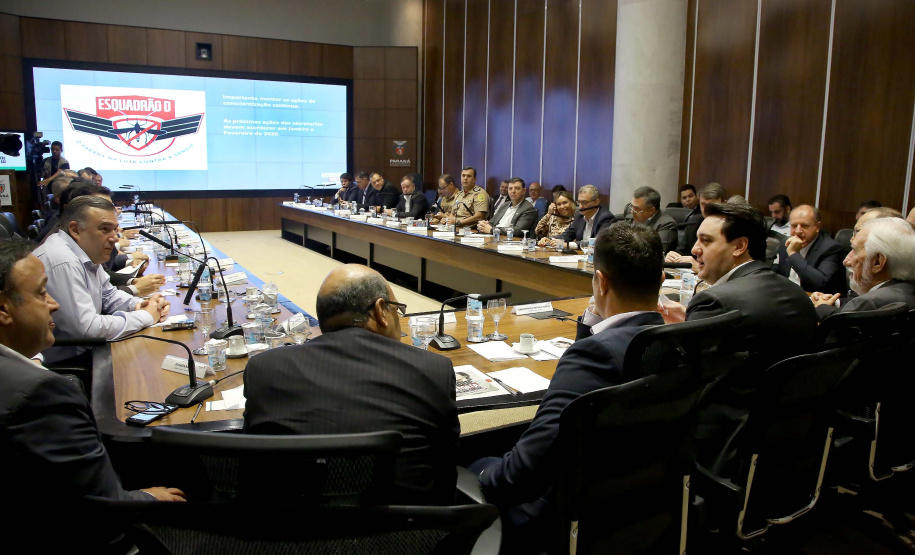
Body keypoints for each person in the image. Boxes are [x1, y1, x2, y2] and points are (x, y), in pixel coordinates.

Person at [476, 222, 666, 549]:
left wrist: (480, 480)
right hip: (641, 507)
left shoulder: (595, 357)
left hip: (561, 515)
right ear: (661, 280)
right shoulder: (675, 341)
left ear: (600, 281)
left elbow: (523, 473)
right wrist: (592, 325)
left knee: (475, 461)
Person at [0, 240, 185, 546]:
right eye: (42, 293)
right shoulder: (40, 394)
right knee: (179, 467)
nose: (54, 304)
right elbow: (100, 505)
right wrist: (146, 497)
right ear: (4, 310)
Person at [244, 265, 459, 504]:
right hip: (400, 532)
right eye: (397, 309)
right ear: (380, 310)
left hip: (293, 530)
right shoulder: (433, 369)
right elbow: (445, 467)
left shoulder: (263, 368)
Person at [658, 202, 817, 475]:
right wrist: (691, 323)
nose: (695, 249)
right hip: (791, 438)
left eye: (705, 241)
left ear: (739, 246)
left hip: (724, 441)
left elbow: (679, 379)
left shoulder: (715, 300)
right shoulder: (795, 293)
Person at [32, 196, 170, 365]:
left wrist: (138, 305)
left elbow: (108, 295)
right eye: (105, 229)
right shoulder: (63, 261)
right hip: (70, 362)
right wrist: (146, 316)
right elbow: (87, 329)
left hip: (89, 350)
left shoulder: (83, 249)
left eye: (115, 229)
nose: (115, 238)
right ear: (75, 230)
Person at [811, 217, 915, 319]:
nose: (846, 261)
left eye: (855, 250)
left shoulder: (868, 302)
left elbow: (835, 333)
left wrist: (820, 307)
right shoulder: (909, 290)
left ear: (877, 262)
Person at [773, 204, 846, 294]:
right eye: (794, 225)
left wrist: (793, 254)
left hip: (816, 301)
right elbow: (777, 272)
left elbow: (819, 283)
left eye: (804, 226)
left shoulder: (831, 248)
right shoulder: (786, 242)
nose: (798, 231)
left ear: (817, 227)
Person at [666, 181, 726, 262]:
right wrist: (673, 256)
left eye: (712, 205)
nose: (707, 210)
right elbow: (684, 251)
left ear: (724, 204)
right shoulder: (693, 222)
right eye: (703, 204)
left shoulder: (732, 226)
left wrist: (698, 267)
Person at [548, 184, 616, 250]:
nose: (580, 206)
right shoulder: (579, 216)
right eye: (579, 202)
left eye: (584, 202)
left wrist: (568, 245)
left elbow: (598, 242)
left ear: (596, 202)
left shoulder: (606, 218)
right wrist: (550, 239)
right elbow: (567, 235)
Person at [630, 186, 677, 252]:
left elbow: (657, 252)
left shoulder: (667, 224)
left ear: (651, 211)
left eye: (637, 209)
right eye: (632, 207)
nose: (632, 212)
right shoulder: (632, 219)